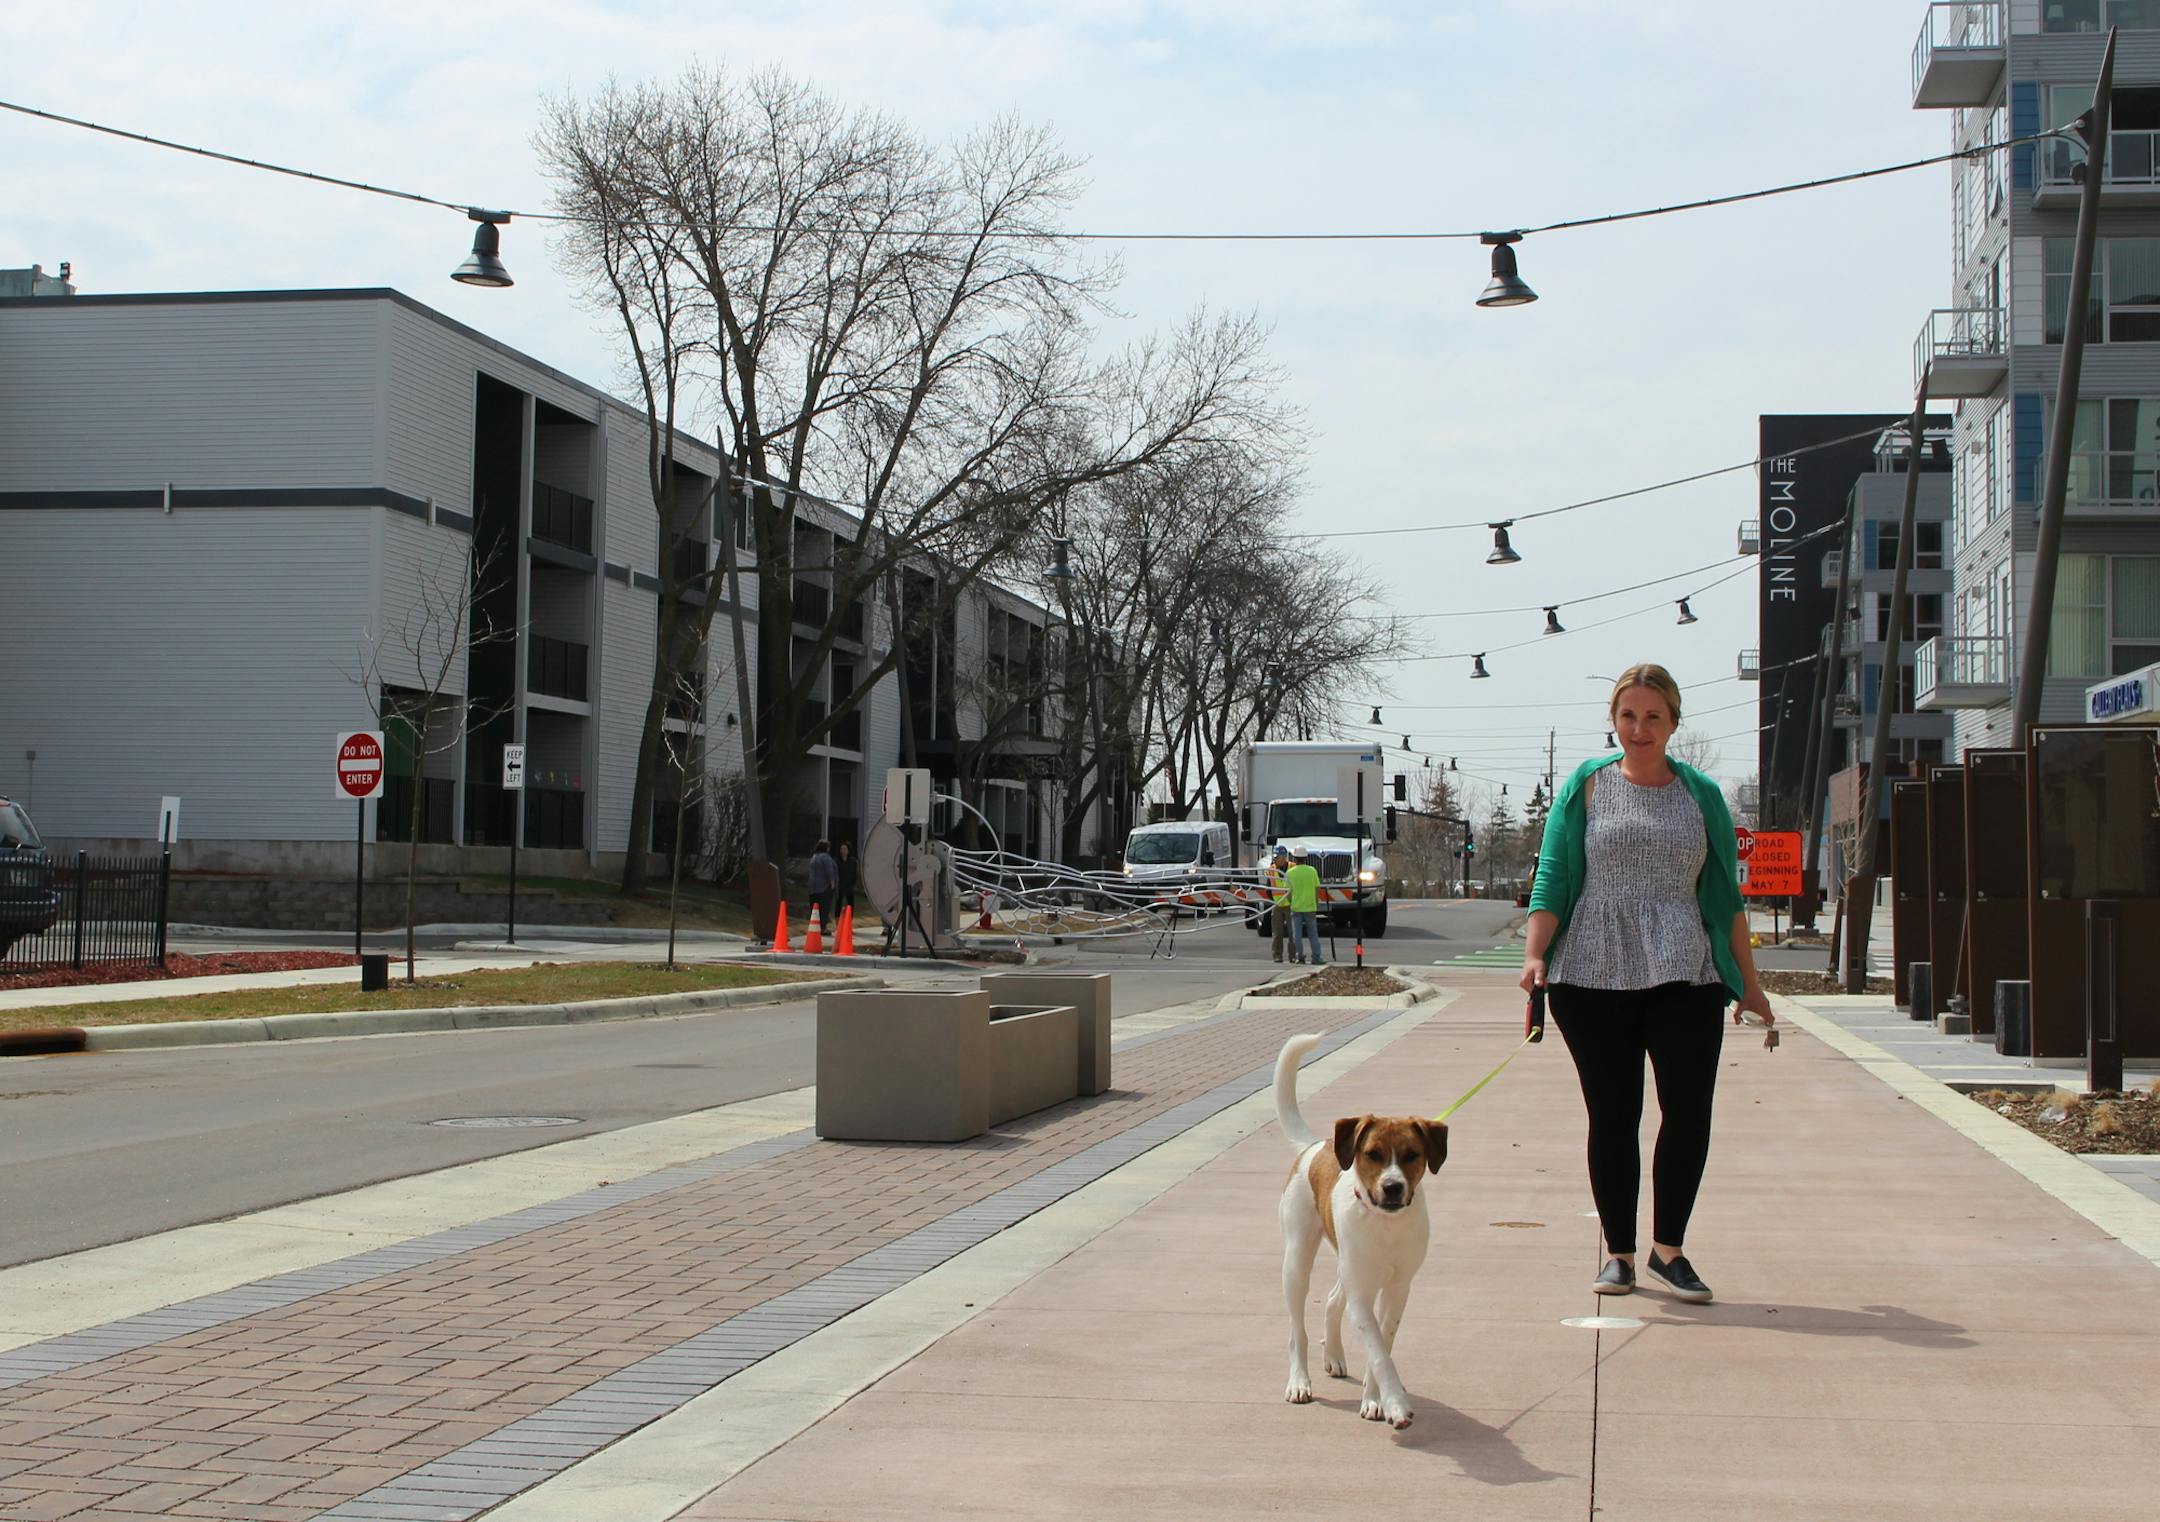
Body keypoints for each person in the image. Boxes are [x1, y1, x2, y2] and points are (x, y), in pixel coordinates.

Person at [1520, 663, 1775, 1305]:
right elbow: (1553, 875)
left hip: (1684, 968)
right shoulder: (1585, 785)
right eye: (1629, 716)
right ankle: (1620, 1255)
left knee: (1688, 1112)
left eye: (1653, 716)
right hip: (1591, 971)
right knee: (1614, 1115)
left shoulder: (1702, 795)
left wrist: (1750, 983)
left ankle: (1670, 1251)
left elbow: (1725, 895)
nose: (1640, 728)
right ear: (1614, 721)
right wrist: (1534, 956)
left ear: (1673, 723)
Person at [1283, 846, 1324, 966]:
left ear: (1295, 858)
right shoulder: (1312, 871)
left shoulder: (1290, 873)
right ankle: (1316, 957)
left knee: (1297, 935)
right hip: (1310, 907)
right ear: (1306, 858)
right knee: (1313, 934)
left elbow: (1288, 892)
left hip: (1296, 907)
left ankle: (1299, 956)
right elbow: (1317, 888)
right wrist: (1315, 902)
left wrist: (1291, 902)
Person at [806, 839, 839, 940]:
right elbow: (829, 870)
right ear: (826, 848)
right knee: (824, 908)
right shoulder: (826, 858)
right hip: (824, 887)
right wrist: (832, 882)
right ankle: (823, 927)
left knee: (814, 908)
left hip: (813, 887)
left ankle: (814, 926)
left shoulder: (814, 857)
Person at [1267, 843, 1293, 963]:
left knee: (1293, 933)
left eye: (1278, 857)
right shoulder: (1271, 870)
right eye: (1275, 857)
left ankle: (1293, 956)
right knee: (1277, 933)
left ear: (1284, 857)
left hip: (1290, 905)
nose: (1276, 859)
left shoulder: (1292, 868)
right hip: (1277, 905)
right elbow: (1268, 888)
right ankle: (1277, 955)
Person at [835, 838, 858, 918]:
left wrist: (853, 884)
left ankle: (849, 924)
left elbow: (855, 874)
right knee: (838, 904)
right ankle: (838, 925)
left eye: (845, 849)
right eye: (842, 849)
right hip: (840, 885)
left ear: (848, 850)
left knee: (850, 905)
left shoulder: (853, 861)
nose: (843, 851)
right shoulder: (837, 861)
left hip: (849, 886)